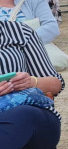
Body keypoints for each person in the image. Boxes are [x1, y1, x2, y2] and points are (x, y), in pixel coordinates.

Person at [0, 14, 64, 148]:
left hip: (28, 115)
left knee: (23, 114)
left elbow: (56, 84)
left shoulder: (20, 32)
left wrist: (31, 82)